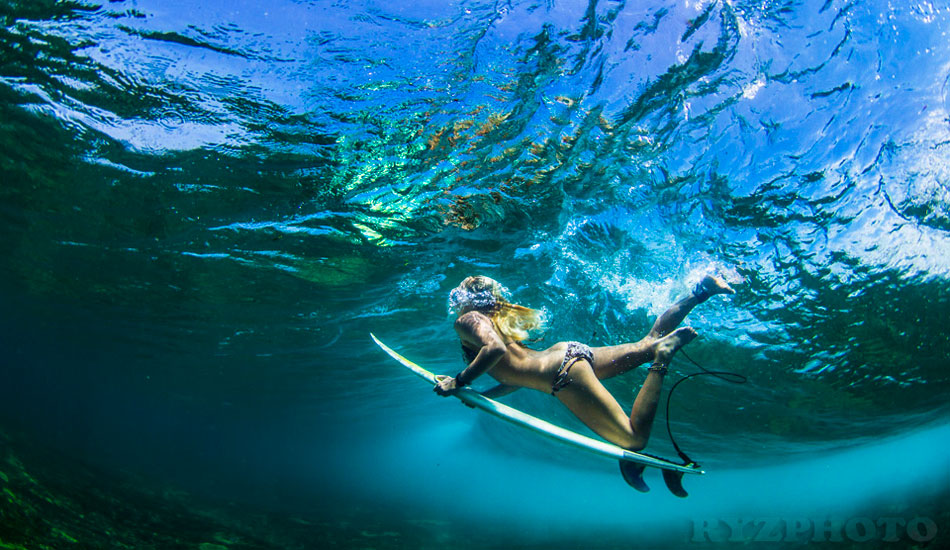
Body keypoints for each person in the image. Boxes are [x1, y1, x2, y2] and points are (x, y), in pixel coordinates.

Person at [435, 274, 734, 453]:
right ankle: (702, 291)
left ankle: (664, 357)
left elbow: (494, 350)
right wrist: (481, 397)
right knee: (647, 342)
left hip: (561, 375)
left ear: (465, 299)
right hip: (568, 354)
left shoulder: (467, 320)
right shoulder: (492, 320)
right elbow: (515, 378)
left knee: (634, 440)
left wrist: (458, 381)